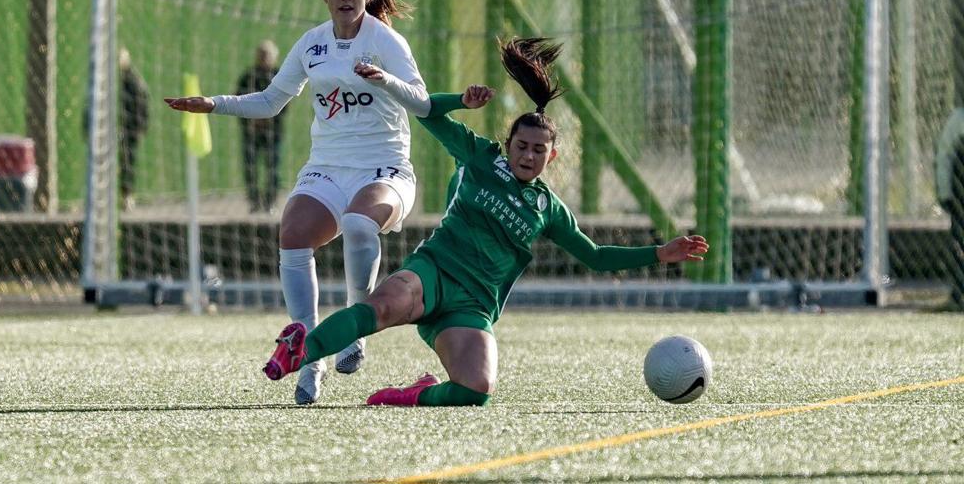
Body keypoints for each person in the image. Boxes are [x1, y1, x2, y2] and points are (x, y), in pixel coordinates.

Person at [261, 37, 710, 407]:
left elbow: (594, 256)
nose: (528, 155)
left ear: (551, 155)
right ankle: (301, 352)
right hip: (433, 272)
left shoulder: (547, 208)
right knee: (381, 307)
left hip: (472, 305)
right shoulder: (482, 157)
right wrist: (461, 100)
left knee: (476, 391)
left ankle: (416, 394)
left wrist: (658, 253)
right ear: (509, 143)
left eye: (538, 150)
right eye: (521, 145)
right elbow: (426, 112)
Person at [165, 0, 430, 404]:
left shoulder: (386, 41)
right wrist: (215, 103)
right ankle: (308, 357)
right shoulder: (312, 43)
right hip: (327, 166)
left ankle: (354, 328)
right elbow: (270, 101)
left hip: (384, 166)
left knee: (358, 223)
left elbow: (422, 102)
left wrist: (384, 80)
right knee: (291, 233)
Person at [236, 40, 284, 212]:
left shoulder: (280, 77)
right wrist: (251, 120)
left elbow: (285, 103)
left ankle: (270, 202)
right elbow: (237, 101)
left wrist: (267, 117)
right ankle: (254, 202)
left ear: (274, 57)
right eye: (261, 54)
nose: (264, 58)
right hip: (251, 132)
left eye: (268, 54)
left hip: (273, 132)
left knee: (273, 168)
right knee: (251, 167)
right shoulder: (247, 77)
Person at [935, 107, 964, 310]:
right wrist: (945, 193)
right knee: (959, 246)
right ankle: (958, 294)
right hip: (961, 200)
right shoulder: (959, 119)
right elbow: (945, 155)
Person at [118, 48, 149, 211]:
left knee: (127, 162)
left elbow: (142, 103)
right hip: (120, 128)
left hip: (129, 129)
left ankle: (127, 196)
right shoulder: (115, 81)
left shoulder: (133, 81)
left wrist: (140, 125)